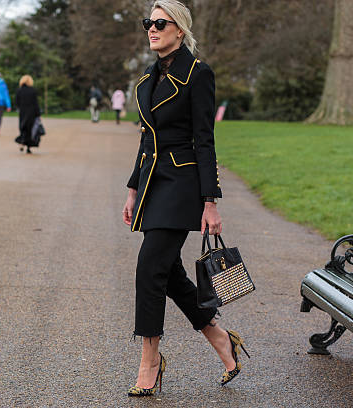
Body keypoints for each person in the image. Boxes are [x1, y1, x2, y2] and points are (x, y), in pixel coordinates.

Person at [122, 0, 249, 397]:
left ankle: (150, 361)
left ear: (180, 30)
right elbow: (147, 138)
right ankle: (220, 338)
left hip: (181, 184)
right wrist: (131, 188)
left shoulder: (198, 74)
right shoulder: (147, 77)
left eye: (161, 23)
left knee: (149, 267)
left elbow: (204, 139)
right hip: (151, 184)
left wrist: (210, 200)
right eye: (149, 22)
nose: (152, 29)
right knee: (168, 272)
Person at [15, 75, 41, 154]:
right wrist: (38, 114)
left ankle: (22, 142)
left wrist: (20, 108)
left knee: (23, 128)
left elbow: (17, 102)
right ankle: (29, 147)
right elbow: (35, 103)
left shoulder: (19, 90)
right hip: (31, 113)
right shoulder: (33, 90)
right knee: (30, 129)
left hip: (22, 112)